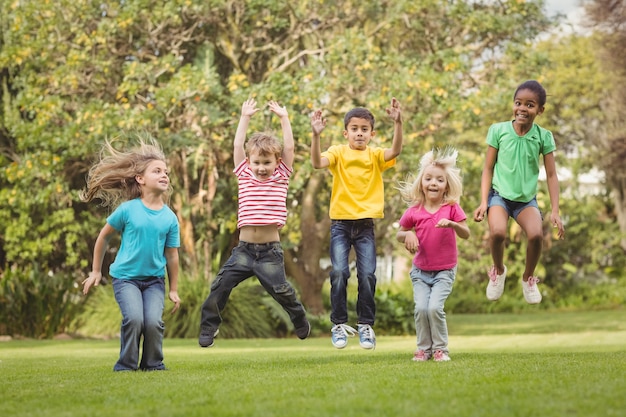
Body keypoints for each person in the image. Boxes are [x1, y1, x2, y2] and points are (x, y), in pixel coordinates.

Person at [199, 99, 310, 347]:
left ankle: (298, 315)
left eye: (267, 163)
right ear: (248, 162)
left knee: (281, 290)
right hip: (244, 251)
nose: (261, 168)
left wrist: (284, 118)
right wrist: (244, 116)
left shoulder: (281, 176)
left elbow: (290, 147)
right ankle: (209, 326)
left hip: (270, 252)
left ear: (277, 162)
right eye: (257, 163)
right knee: (220, 285)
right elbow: (238, 144)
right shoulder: (244, 175)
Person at [81, 137, 181, 371]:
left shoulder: (170, 218)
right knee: (135, 319)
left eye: (166, 172)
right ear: (141, 179)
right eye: (157, 171)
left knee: (153, 322)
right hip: (126, 278)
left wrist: (174, 289)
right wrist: (96, 271)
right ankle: (126, 365)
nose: (164, 175)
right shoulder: (127, 209)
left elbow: (172, 256)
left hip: (154, 280)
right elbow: (103, 237)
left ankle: (153, 365)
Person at [310, 98, 403, 349]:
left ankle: (365, 325)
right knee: (339, 272)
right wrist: (316, 136)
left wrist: (398, 123)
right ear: (346, 132)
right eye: (354, 129)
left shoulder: (374, 156)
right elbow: (317, 163)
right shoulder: (338, 152)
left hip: (365, 226)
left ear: (372, 134)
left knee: (368, 275)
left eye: (364, 129)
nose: (359, 133)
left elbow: (394, 151)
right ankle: (338, 324)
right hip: (340, 223)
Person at [473, 80, 565, 304]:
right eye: (518, 103)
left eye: (530, 105)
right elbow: (487, 168)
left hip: (526, 201)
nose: (523, 108)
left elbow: (552, 175)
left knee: (536, 236)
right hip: (499, 196)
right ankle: (498, 271)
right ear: (513, 105)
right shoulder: (498, 131)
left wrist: (555, 210)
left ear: (540, 110)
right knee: (497, 233)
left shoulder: (543, 137)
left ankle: (528, 278)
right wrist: (484, 202)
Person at [396, 147, 470, 362]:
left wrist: (453, 224)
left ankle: (440, 349)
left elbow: (466, 233)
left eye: (439, 180)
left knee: (435, 308)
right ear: (422, 183)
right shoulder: (414, 211)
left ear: (447, 185)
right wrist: (407, 235)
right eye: (428, 179)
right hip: (420, 271)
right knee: (421, 309)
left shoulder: (452, 208)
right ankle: (423, 349)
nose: (433, 183)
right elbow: (399, 233)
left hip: (445, 270)